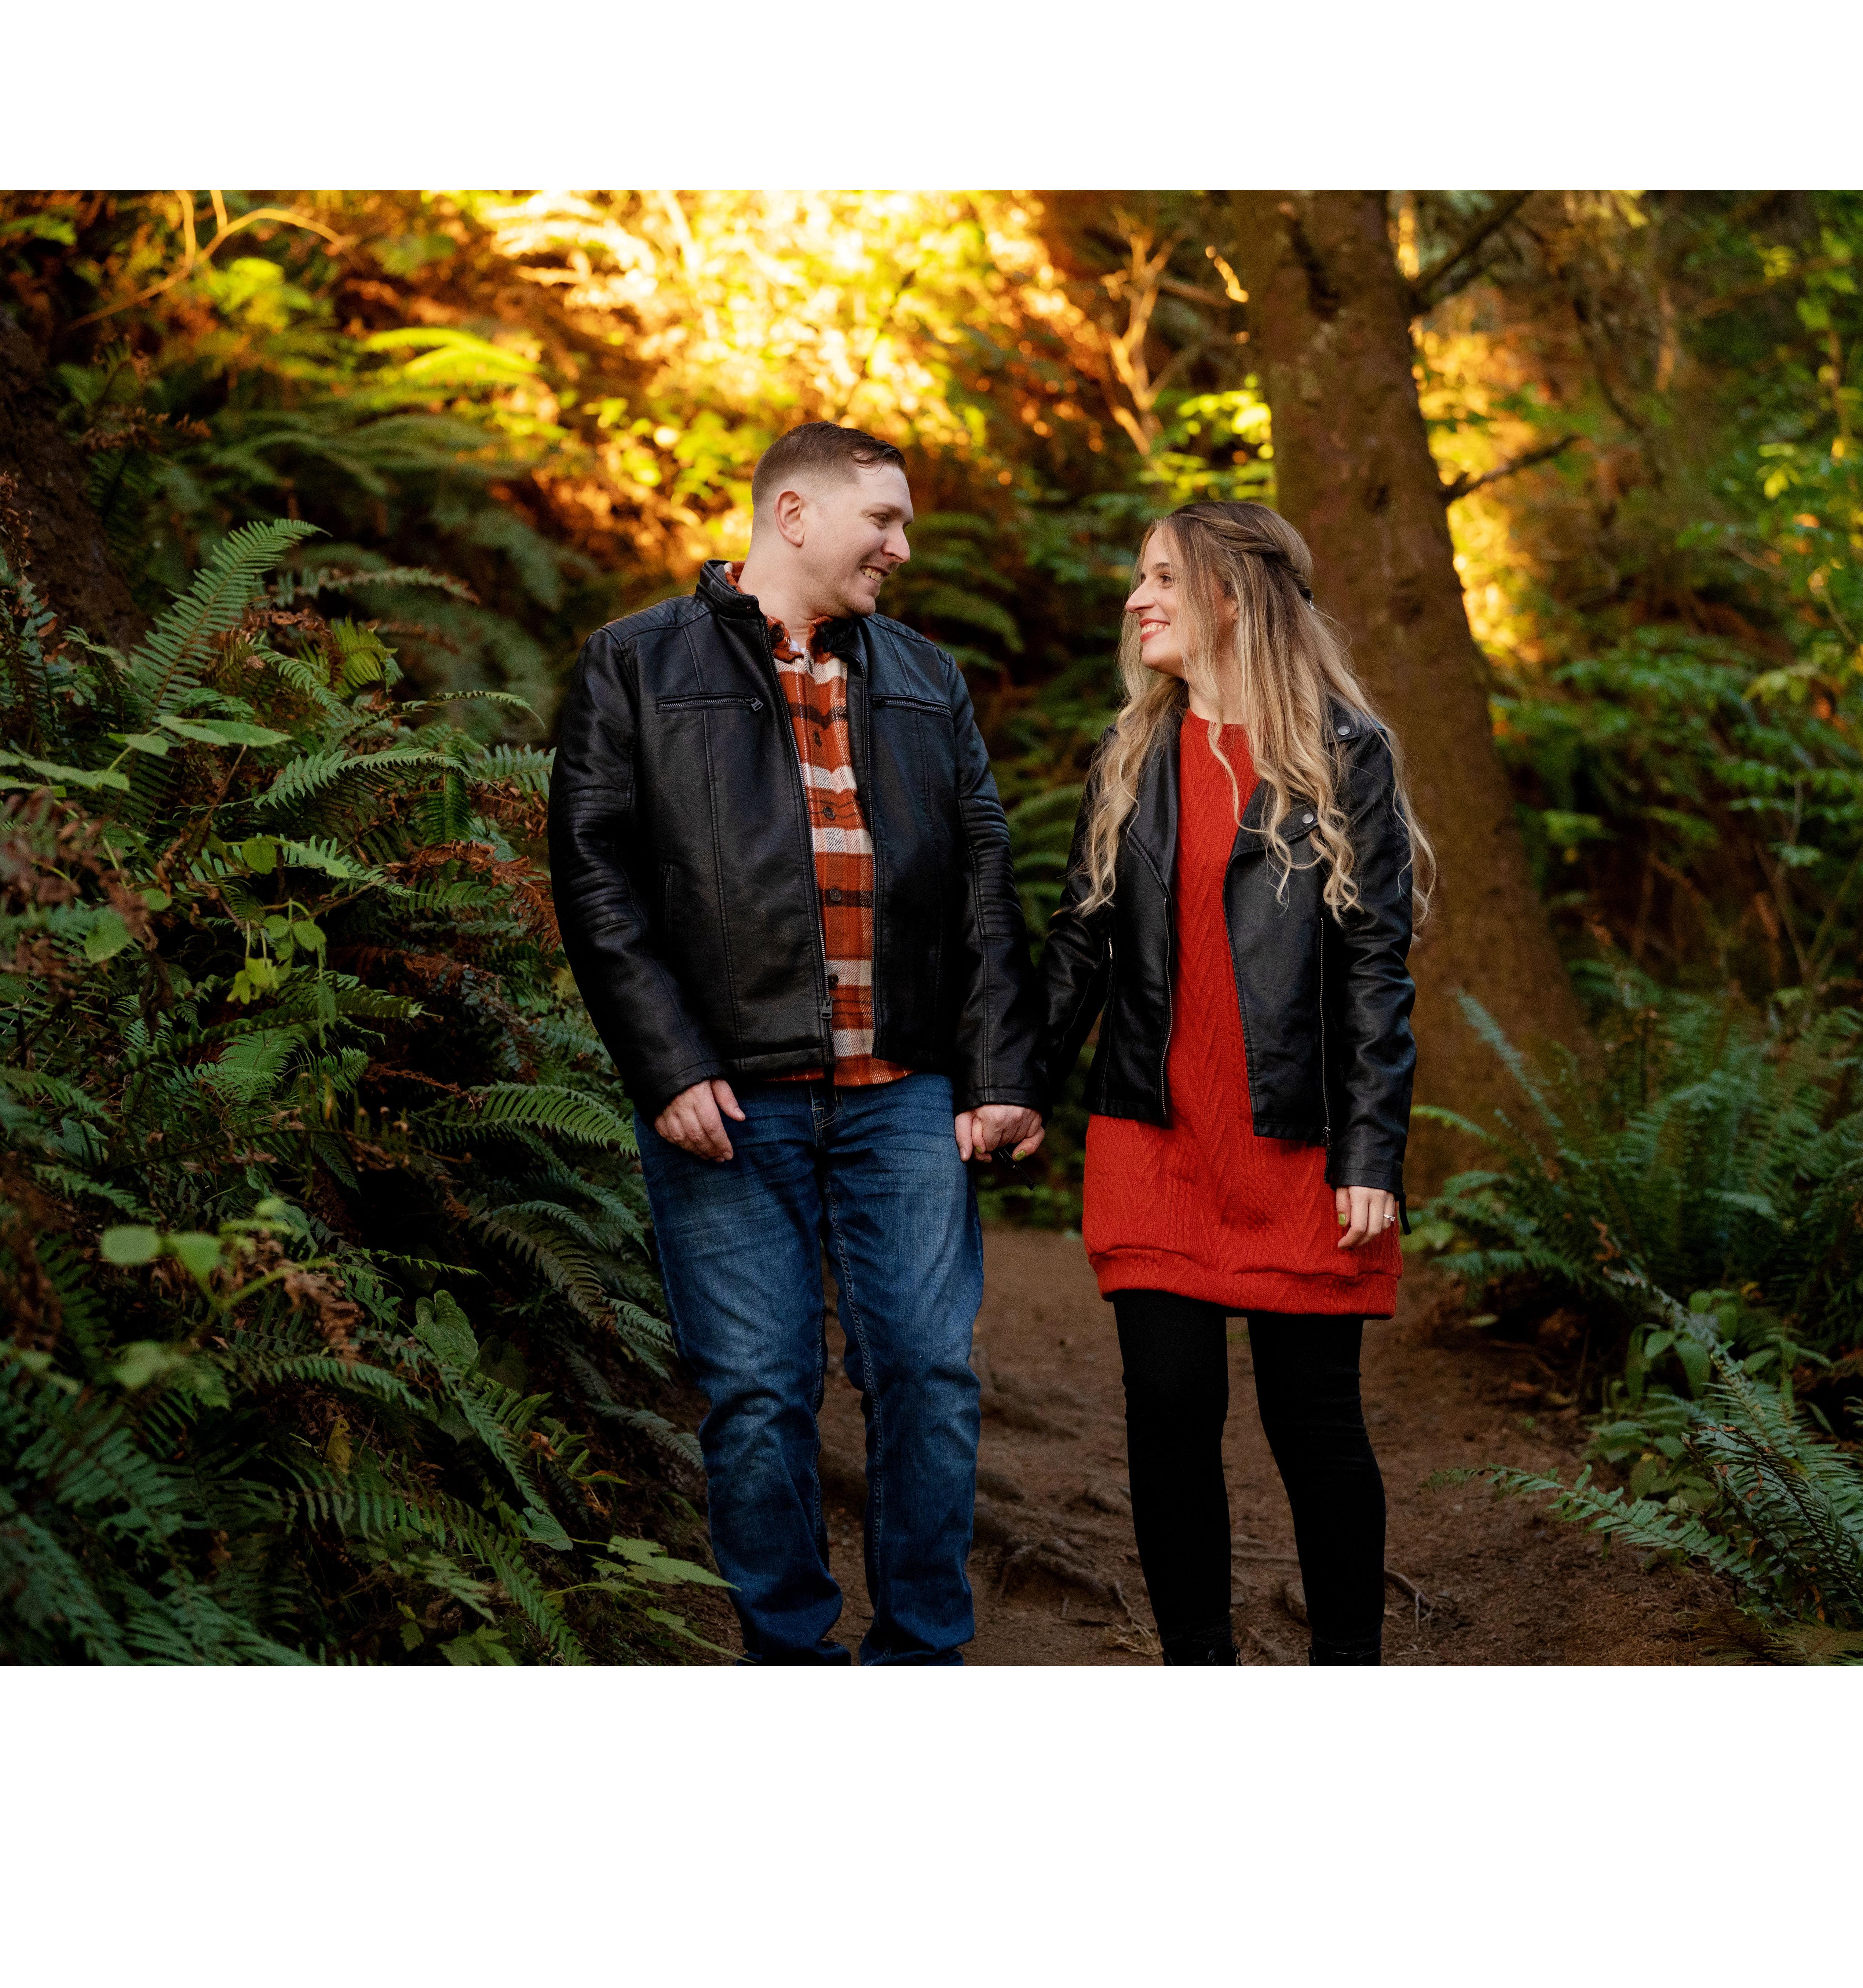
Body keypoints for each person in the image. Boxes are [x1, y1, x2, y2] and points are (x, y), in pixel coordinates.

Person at [548, 421, 1046, 1664]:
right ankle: (790, 1659)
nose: (903, 546)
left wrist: (996, 1073)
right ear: (793, 516)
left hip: (907, 1097)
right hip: (729, 1101)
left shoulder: (927, 682)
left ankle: (923, 1656)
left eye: (908, 524)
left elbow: (986, 879)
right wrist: (665, 1064)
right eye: (883, 520)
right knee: (758, 1397)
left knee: (929, 1381)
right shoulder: (632, 666)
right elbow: (594, 878)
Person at [1038, 500, 1431, 1666]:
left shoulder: (1343, 752)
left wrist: (1371, 1150)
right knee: (1168, 1418)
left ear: (1231, 595)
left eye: (1162, 576)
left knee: (1313, 1429)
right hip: (1154, 1141)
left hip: (1297, 1142)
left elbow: (1374, 971)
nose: (1136, 598)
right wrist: (1012, 1086)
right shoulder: (1131, 753)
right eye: (1137, 576)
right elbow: (1078, 945)